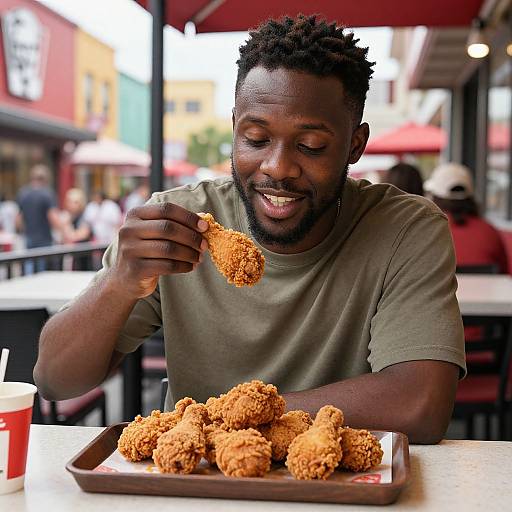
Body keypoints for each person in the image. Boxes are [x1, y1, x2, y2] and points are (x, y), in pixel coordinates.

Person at [35, 15, 465, 444]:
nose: (277, 167)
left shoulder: (406, 230)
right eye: (256, 139)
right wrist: (118, 284)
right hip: (194, 482)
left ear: (355, 144)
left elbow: (419, 404)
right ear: (234, 129)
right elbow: (56, 381)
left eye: (310, 146)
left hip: (339, 489)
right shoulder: (175, 219)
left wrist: (232, 415)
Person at [424, 162, 508, 273]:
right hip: (483, 290)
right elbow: (504, 272)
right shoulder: (489, 231)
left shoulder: (427, 232)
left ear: (434, 197)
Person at [16, 164, 61, 271]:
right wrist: (63, 233)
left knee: (29, 265)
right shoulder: (47, 194)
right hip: (44, 238)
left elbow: (18, 219)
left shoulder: (23, 193)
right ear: (45, 179)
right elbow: (53, 217)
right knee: (42, 269)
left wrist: (22, 231)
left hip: (29, 237)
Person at [60, 188, 93, 270]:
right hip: (72, 259)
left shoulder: (85, 216)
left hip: (83, 258)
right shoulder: (69, 217)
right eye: (69, 201)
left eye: (75, 202)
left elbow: (80, 235)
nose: (71, 205)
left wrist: (66, 225)